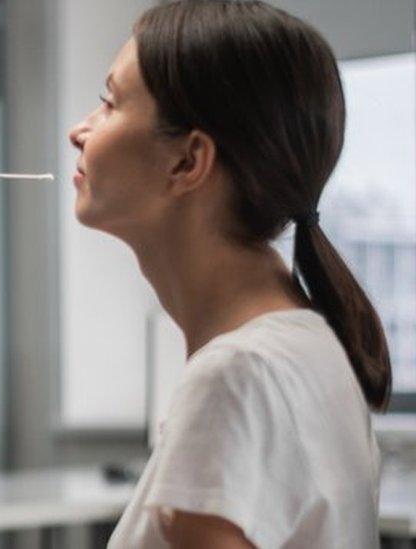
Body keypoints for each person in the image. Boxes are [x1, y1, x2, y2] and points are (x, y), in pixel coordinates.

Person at [67, 1, 389, 547]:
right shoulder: (306, 343)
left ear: (188, 163)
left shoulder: (235, 377)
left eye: (110, 103)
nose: (81, 130)